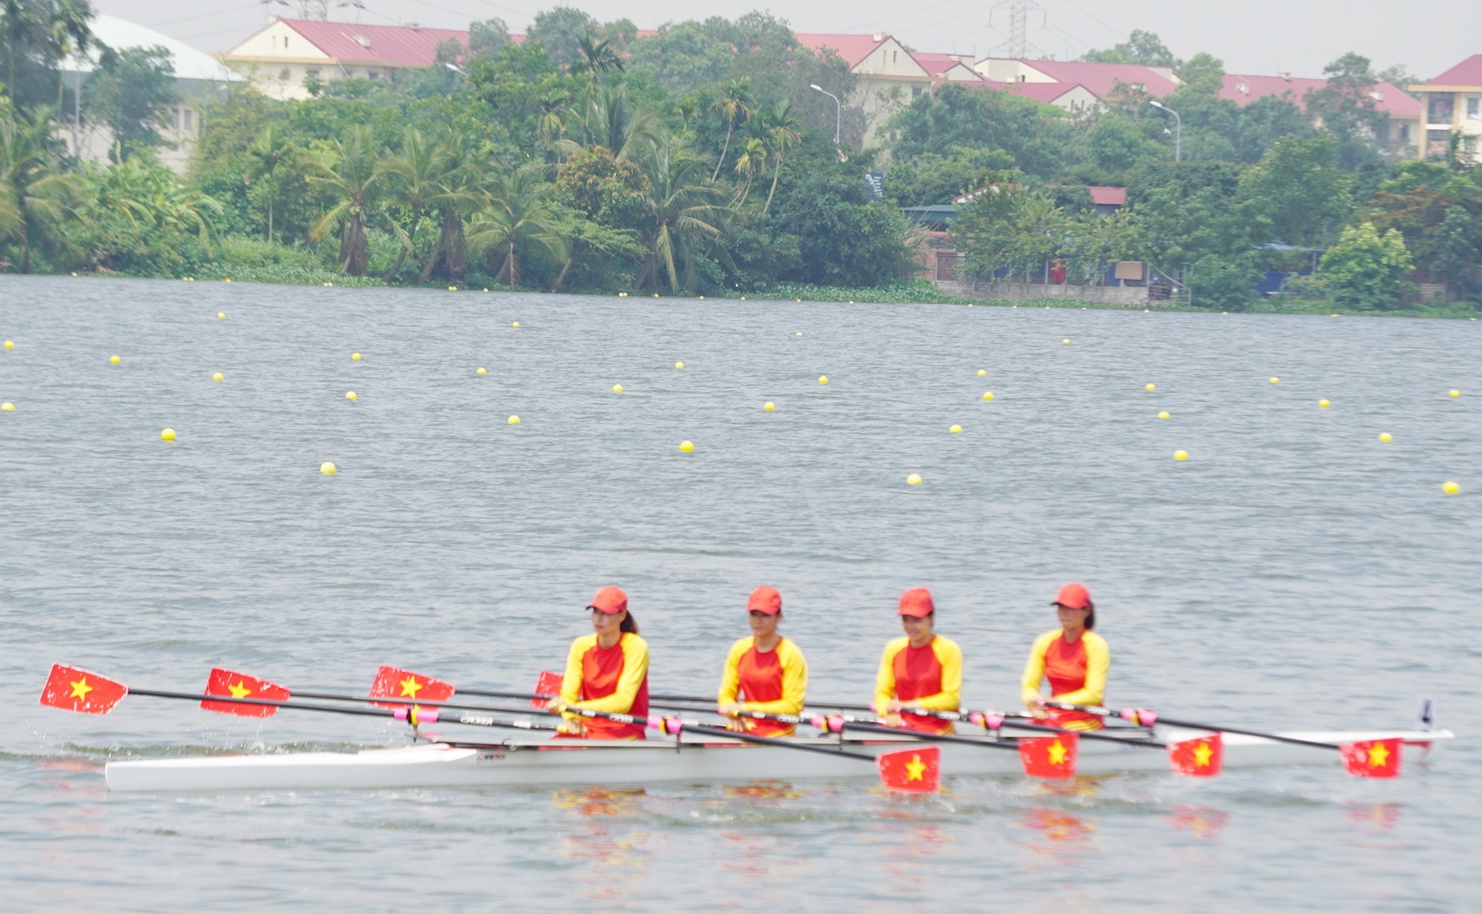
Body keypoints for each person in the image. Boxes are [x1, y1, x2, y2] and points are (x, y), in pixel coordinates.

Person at [546, 586, 650, 739]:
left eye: (606, 613)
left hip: (625, 725)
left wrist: (573, 708)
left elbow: (623, 701)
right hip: (588, 722)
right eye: (595, 611)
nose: (598, 619)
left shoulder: (635, 646)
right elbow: (568, 695)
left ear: (622, 616)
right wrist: (571, 717)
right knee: (549, 748)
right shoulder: (580, 645)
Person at [717, 586, 808, 737]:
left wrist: (746, 708)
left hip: (778, 731)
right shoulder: (739, 649)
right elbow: (726, 694)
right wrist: (732, 714)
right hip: (746, 726)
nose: (758, 621)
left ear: (778, 616)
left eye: (765, 615)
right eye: (753, 614)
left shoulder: (791, 653)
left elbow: (793, 706)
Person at [1020, 582, 1110, 731]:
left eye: (1070, 608)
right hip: (1053, 715)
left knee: (1046, 734)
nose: (1064, 613)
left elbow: (1094, 694)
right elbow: (1028, 685)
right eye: (1061, 608)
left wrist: (1052, 702)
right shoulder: (1044, 641)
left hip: (1086, 719)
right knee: (1025, 730)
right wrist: (1033, 704)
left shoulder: (1096, 645)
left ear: (1086, 611)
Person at [873, 588, 962, 735]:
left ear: (931, 618)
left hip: (937, 730)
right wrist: (887, 712)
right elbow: (882, 693)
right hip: (902, 727)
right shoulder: (893, 648)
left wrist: (905, 706)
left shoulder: (949, 649)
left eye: (917, 620)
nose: (910, 627)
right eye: (905, 620)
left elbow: (951, 699)